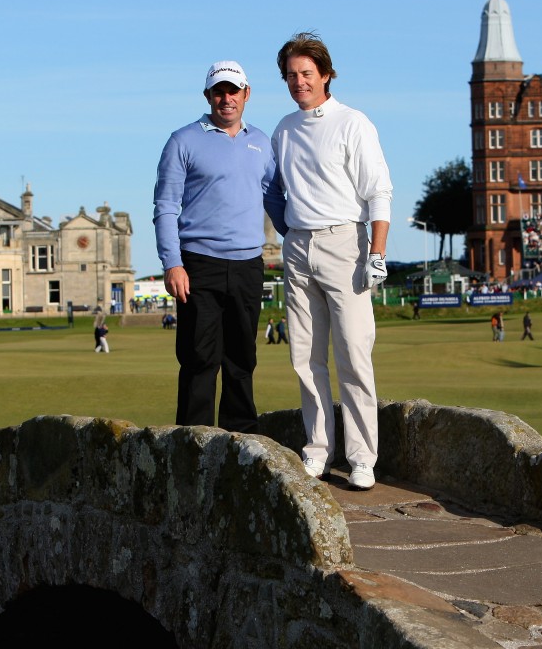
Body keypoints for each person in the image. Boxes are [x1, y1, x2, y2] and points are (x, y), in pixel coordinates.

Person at [266, 32, 392, 490]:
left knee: (354, 354)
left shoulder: (353, 123)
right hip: (298, 246)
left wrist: (376, 252)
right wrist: (292, 236)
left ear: (325, 74)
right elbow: (278, 194)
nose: (299, 82)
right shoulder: (283, 130)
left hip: (347, 242)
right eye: (291, 75)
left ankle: (362, 458)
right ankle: (318, 450)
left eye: (306, 73)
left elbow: (378, 191)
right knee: (305, 355)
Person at [153, 60, 276, 433]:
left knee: (242, 358)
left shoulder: (261, 141)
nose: (227, 99)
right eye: (219, 91)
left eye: (233, 91)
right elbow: (165, 206)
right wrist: (172, 263)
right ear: (208, 96)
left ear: (246, 94)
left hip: (247, 264)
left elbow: (274, 199)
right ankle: (193, 444)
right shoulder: (183, 140)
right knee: (199, 359)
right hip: (198, 264)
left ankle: (241, 443)